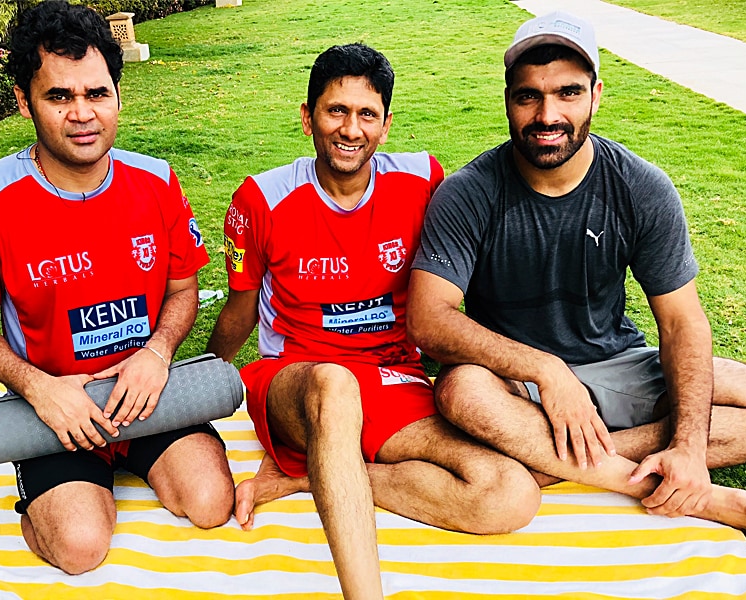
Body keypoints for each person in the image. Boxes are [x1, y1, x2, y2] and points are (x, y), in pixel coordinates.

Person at [408, 10, 746, 543]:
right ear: (508, 99)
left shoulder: (640, 186)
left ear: (596, 95)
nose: (548, 114)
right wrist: (546, 370)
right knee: (462, 391)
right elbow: (427, 320)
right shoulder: (470, 192)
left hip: (618, 364)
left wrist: (688, 446)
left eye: (567, 93)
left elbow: (681, 323)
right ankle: (630, 473)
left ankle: (555, 463)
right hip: (516, 386)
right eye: (528, 96)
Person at [206, 43, 541, 599]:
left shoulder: (423, 180)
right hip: (298, 378)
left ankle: (312, 477)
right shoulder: (260, 198)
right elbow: (239, 314)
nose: (350, 129)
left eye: (367, 114)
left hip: (392, 377)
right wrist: (196, 383)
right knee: (333, 383)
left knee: (508, 493)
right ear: (307, 116)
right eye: (336, 110)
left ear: (386, 125)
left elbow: (456, 283)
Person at [0, 1, 234, 574]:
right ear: (25, 102)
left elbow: (182, 286)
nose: (82, 114)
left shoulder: (156, 180)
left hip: (145, 395)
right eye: (59, 96)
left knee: (210, 502)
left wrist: (157, 352)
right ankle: (49, 494)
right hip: (55, 409)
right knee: (79, 547)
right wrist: (37, 387)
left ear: (117, 96)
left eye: (97, 93)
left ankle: (132, 459)